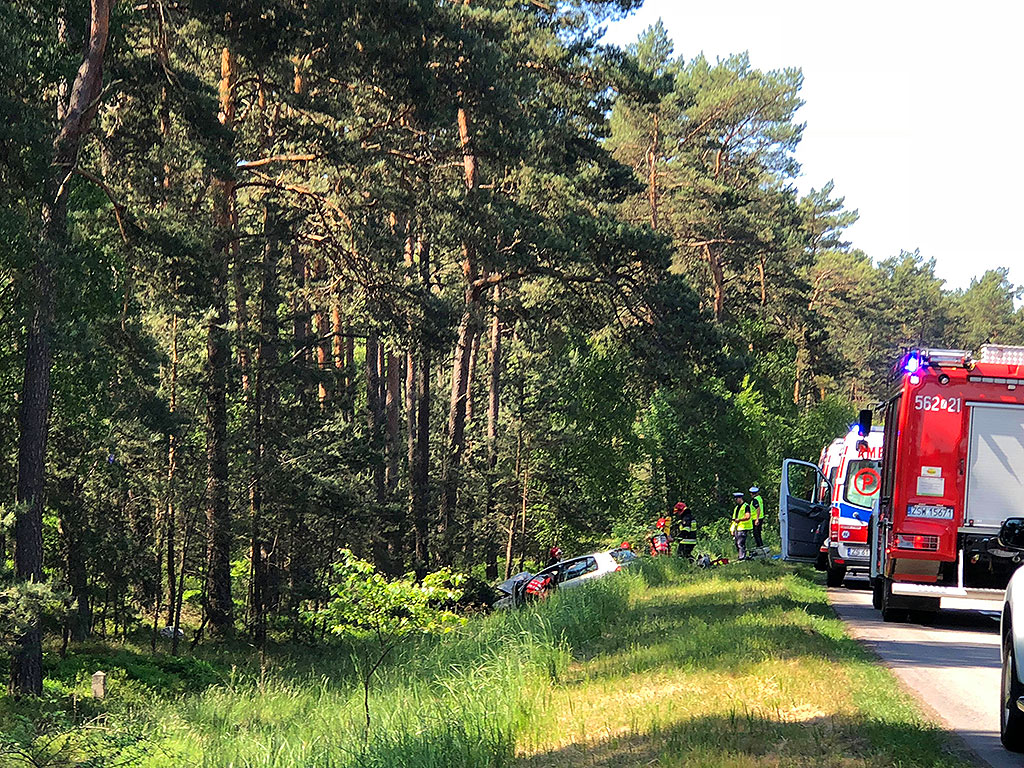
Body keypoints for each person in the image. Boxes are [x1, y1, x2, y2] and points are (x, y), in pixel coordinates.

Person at [730, 491, 752, 560]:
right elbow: (734, 519)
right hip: (737, 528)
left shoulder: (746, 506)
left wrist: (740, 520)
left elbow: (748, 516)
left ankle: (742, 557)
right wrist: (732, 529)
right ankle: (741, 556)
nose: (735, 500)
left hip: (743, 527)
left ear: (740, 498)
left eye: (736, 499)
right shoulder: (736, 508)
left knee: (740, 543)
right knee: (737, 543)